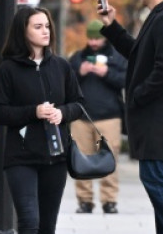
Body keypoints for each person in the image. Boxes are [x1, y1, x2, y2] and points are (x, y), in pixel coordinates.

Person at [96, 0, 163, 234]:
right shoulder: (160, 17)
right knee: (156, 178)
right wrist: (111, 25)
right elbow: (138, 55)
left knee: (157, 180)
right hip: (156, 118)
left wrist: (137, 96)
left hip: (158, 118)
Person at [0, 6, 85, 234]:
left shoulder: (61, 66)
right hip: (21, 157)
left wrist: (63, 113)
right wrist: (34, 112)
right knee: (29, 222)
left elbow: (79, 104)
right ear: (23, 32)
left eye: (47, 26)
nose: (45, 31)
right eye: (38, 27)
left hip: (56, 157)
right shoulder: (8, 70)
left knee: (47, 226)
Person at [68, 19, 126, 214]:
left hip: (109, 117)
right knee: (80, 159)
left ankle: (110, 201)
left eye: (97, 39)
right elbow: (65, 83)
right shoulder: (77, 58)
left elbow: (125, 81)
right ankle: (84, 201)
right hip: (81, 118)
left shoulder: (116, 57)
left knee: (110, 159)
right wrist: (80, 73)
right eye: (90, 38)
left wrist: (107, 73)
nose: (93, 42)